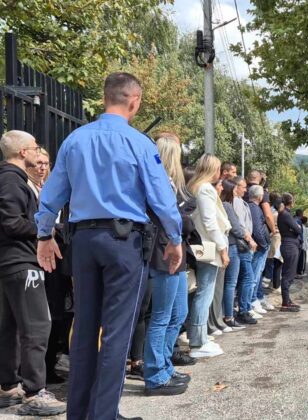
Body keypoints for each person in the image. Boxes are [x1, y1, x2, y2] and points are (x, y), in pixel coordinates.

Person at [35, 73, 183, 420]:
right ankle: (104, 415)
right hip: (123, 242)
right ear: (134, 100)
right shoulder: (139, 143)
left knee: (85, 327)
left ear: (106, 98)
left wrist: (44, 235)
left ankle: (80, 413)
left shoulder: (75, 140)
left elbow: (52, 193)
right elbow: (162, 200)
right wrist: (174, 239)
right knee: (117, 331)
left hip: (83, 241)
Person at [0, 130, 66, 416]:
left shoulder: (12, 180)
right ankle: (34, 391)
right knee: (37, 327)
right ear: (23, 152)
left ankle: (8, 386)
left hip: (11, 264)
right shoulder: (12, 181)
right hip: (22, 263)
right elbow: (11, 222)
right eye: (35, 148)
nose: (40, 154)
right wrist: (45, 230)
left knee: (11, 329)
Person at [142, 134, 193, 397]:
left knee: (177, 313)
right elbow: (170, 219)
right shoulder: (160, 181)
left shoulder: (170, 183)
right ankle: (154, 373)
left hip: (174, 250)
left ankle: (164, 364)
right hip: (165, 251)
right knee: (162, 315)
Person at [186, 154, 229, 359]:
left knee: (204, 291)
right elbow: (210, 223)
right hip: (208, 246)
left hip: (205, 244)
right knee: (205, 292)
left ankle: (199, 335)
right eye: (219, 168)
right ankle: (198, 340)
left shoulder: (199, 187)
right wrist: (222, 248)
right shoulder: (205, 189)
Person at [220, 178, 251, 330]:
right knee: (231, 283)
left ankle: (227, 314)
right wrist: (247, 238)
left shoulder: (222, 204)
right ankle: (229, 316)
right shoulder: (227, 205)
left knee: (229, 283)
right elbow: (236, 227)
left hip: (228, 245)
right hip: (232, 245)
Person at [244, 185, 271, 323]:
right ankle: (251, 302)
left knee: (255, 275)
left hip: (259, 246)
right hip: (259, 247)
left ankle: (252, 302)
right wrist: (264, 244)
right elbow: (257, 228)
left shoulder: (252, 207)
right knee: (254, 276)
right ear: (259, 196)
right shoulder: (254, 208)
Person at [278, 193, 302, 312]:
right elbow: (298, 229)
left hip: (289, 244)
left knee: (289, 274)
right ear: (291, 202)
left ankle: (287, 300)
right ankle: (285, 303)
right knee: (288, 274)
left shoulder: (284, 214)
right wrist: (297, 227)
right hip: (290, 245)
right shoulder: (286, 215)